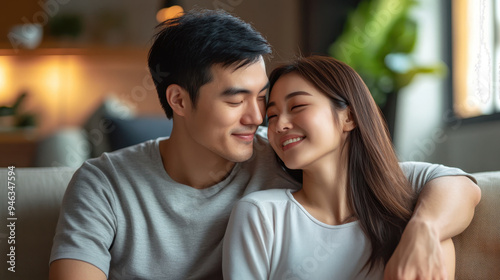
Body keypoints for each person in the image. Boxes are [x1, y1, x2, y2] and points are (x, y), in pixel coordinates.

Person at [49, 9, 480, 280]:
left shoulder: (283, 153)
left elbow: (453, 183)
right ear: (178, 99)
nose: (259, 120)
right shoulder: (103, 184)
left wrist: (425, 229)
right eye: (236, 100)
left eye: (262, 101)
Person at [222, 56, 477, 279]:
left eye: (297, 106)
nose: (279, 126)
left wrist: (424, 230)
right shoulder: (261, 215)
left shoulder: (411, 211)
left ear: (350, 117)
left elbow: (462, 186)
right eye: (273, 115)